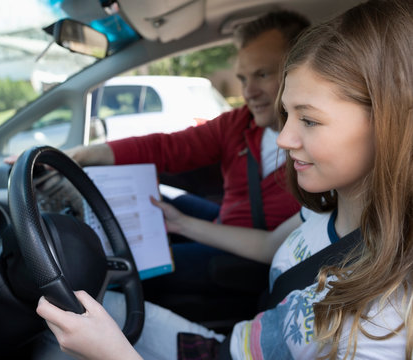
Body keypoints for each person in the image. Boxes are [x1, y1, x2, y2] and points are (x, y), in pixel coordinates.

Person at [35, 0, 413, 358]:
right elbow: (267, 245)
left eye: (309, 119)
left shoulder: (381, 322)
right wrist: (182, 222)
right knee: (87, 307)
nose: (285, 139)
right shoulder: (325, 209)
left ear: (390, 123)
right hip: (231, 345)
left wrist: (114, 356)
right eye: (288, 112)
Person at [63, 11, 309, 319]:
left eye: (263, 75)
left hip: (248, 257)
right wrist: (86, 155)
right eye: (244, 78)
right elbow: (169, 147)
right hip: (226, 222)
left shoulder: (317, 152)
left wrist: (187, 226)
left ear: (301, 71)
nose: (248, 93)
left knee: (119, 272)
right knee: (157, 199)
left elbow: (275, 245)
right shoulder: (240, 123)